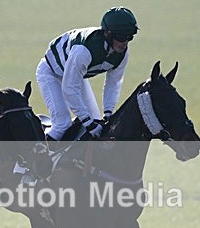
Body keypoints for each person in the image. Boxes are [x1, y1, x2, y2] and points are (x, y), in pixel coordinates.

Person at [36, 7, 138, 141]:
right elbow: (69, 89)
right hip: (51, 73)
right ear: (107, 33)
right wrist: (87, 122)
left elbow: (113, 83)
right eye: (121, 36)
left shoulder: (122, 54)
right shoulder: (83, 51)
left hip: (76, 75)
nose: (124, 42)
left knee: (95, 120)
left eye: (130, 37)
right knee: (62, 124)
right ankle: (37, 153)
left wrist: (108, 113)